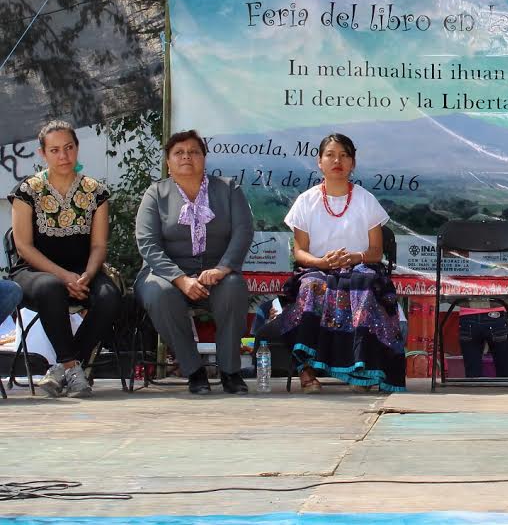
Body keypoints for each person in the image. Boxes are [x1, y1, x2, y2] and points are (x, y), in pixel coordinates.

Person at [277, 133, 406, 393]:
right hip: (316, 269)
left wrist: (356, 257)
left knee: (362, 284)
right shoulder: (306, 201)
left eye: (344, 155)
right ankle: (307, 372)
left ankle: (361, 371)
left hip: (359, 267)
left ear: (353, 163)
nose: (337, 160)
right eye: (331, 155)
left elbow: (376, 251)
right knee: (311, 287)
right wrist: (322, 262)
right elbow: (300, 252)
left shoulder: (366, 200)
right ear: (319, 162)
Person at [135, 129, 253, 395]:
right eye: (179, 153)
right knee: (159, 293)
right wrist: (180, 279)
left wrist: (223, 268)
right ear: (168, 161)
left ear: (204, 158)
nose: (186, 157)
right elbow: (148, 245)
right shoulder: (155, 194)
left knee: (234, 288)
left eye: (193, 152)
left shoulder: (228, 189)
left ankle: (230, 371)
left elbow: (243, 232)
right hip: (164, 273)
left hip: (216, 272)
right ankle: (194, 371)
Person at [8, 120, 120, 398]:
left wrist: (88, 275)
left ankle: (64, 368)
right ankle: (72, 366)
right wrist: (63, 275)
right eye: (55, 150)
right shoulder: (27, 190)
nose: (63, 156)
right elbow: (23, 246)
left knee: (109, 296)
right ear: (42, 154)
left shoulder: (96, 192)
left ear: (77, 149)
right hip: (33, 272)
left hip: (83, 271)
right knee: (51, 287)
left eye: (69, 148)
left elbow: (98, 245)